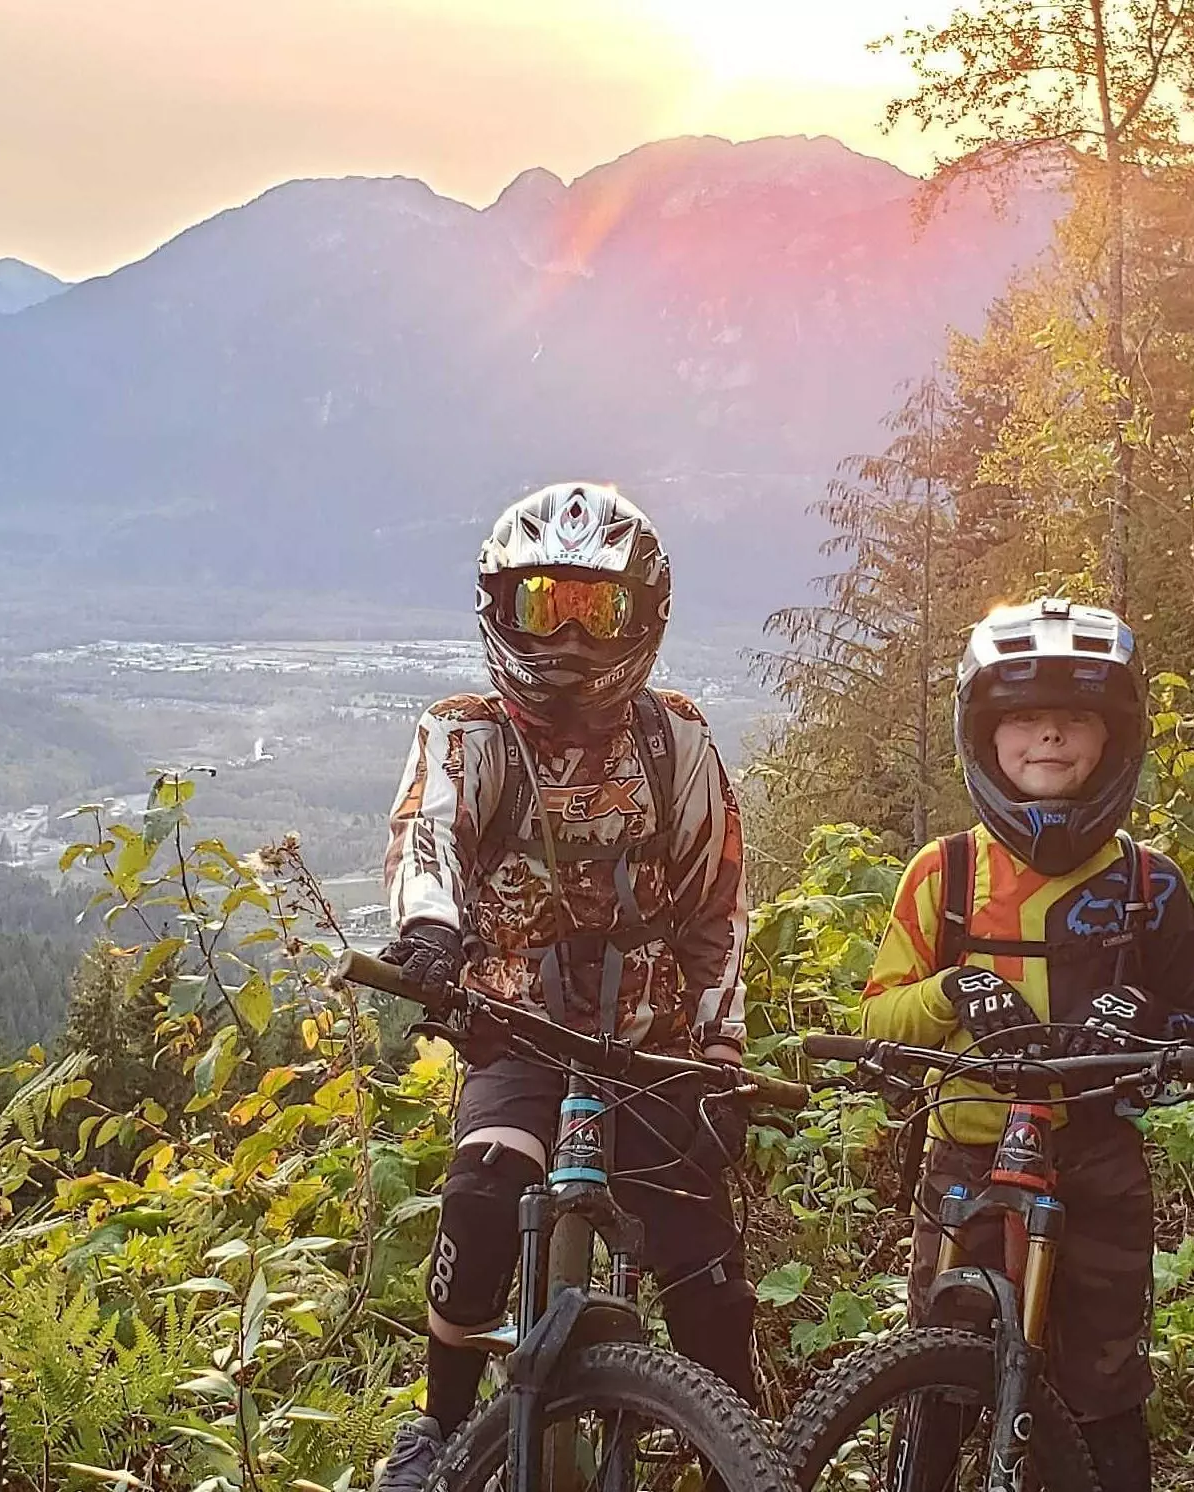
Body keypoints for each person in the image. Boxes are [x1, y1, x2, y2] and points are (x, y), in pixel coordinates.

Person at [373, 482, 753, 1489]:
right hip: (517, 1032)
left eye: (600, 607)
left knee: (708, 1275)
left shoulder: (675, 742)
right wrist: (428, 933)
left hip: (655, 1042)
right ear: (500, 606)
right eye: (546, 604)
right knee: (484, 1190)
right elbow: (428, 839)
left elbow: (717, 905)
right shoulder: (469, 732)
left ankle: (745, 1450)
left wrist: (720, 1052)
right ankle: (440, 1420)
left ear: (645, 616)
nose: (572, 636)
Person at [856, 596, 1194, 1492]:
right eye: (1023, 719)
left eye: (1074, 720)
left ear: (1114, 737)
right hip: (968, 1157)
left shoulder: (1150, 886)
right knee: (937, 1379)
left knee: (1105, 1388)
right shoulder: (944, 875)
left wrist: (1137, 1020)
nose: (1048, 739)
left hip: (1096, 1161)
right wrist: (955, 989)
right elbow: (879, 1017)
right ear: (984, 736)